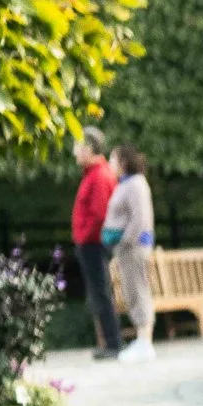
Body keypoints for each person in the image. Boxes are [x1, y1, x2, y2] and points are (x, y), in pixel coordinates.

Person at [69, 128, 124, 358]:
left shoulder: (99, 175)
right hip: (90, 242)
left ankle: (113, 344)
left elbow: (100, 215)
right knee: (99, 292)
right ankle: (110, 343)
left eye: (78, 147)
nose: (74, 152)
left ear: (89, 149)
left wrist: (84, 237)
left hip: (93, 243)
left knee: (100, 291)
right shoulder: (93, 173)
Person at [102, 143, 157, 362]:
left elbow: (139, 219)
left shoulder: (135, 185)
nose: (110, 163)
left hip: (133, 248)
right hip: (126, 249)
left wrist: (125, 241)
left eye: (112, 159)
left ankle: (145, 342)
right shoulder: (125, 184)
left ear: (123, 162)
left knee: (138, 291)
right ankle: (142, 339)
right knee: (132, 291)